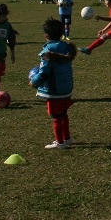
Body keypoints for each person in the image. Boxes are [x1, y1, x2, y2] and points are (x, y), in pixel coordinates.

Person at [30, 18, 77, 149]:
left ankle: (60, 142)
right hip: (66, 88)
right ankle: (67, 138)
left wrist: (34, 82)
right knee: (64, 114)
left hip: (54, 90)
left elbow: (44, 72)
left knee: (56, 116)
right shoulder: (67, 48)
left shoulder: (47, 53)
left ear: (46, 36)